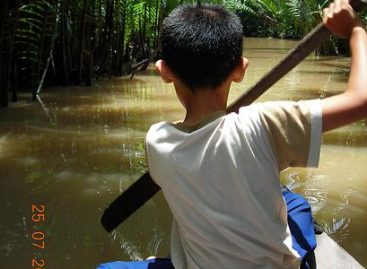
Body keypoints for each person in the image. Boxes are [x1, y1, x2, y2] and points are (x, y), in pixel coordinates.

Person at [97, 1, 367, 269]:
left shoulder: (156, 139)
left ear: (164, 71)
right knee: (295, 205)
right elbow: (361, 99)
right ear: (241, 69)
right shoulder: (262, 124)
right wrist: (356, 30)